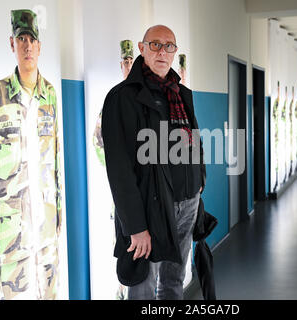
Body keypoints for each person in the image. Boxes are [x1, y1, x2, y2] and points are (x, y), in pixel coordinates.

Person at [101, 25, 205, 300]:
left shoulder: (182, 94)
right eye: (155, 45)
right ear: (141, 48)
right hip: (150, 209)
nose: (162, 51)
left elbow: (195, 140)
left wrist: (200, 180)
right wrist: (135, 227)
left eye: (169, 46)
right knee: (144, 286)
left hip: (188, 204)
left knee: (175, 280)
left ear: (175, 52)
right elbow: (119, 170)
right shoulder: (121, 98)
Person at [0, 9, 62, 300]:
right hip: (10, 232)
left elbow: (55, 161)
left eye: (32, 39)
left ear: (40, 46)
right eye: (22, 38)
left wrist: (58, 216)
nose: (27, 45)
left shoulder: (50, 94)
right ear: (12, 44)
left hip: (46, 231)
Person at [92, 39, 135, 300]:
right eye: (126, 62)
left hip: (148, 194)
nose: (130, 66)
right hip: (121, 194)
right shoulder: (114, 100)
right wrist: (121, 166)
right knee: (124, 252)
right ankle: (123, 291)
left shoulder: (149, 96)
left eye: (133, 62)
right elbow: (98, 141)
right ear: (122, 65)